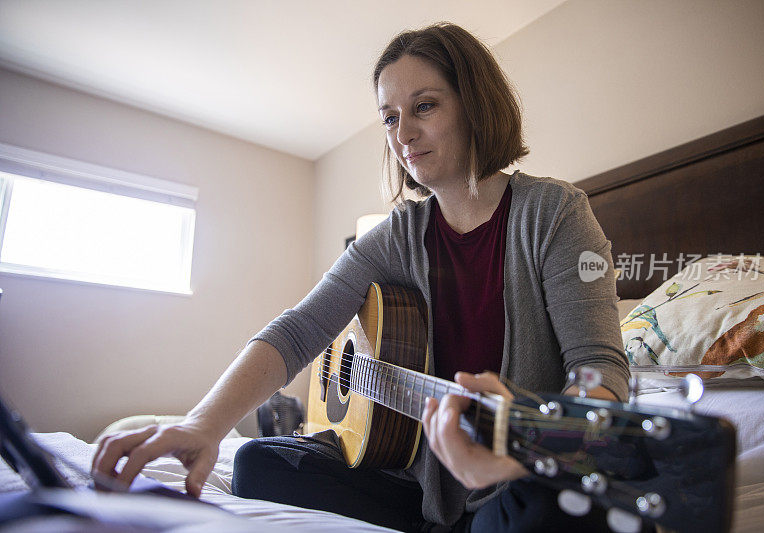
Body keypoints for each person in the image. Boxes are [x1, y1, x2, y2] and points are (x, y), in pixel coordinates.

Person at [92, 22, 628, 532]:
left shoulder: (554, 213)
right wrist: (202, 425)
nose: (404, 134)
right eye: (390, 117)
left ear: (475, 105)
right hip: (416, 488)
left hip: (514, 481)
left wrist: (525, 450)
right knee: (257, 462)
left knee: (557, 506)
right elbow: (300, 330)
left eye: (424, 106)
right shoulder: (398, 235)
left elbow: (599, 370)